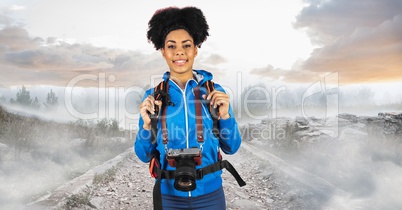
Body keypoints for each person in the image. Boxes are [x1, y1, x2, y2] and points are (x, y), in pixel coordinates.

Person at [135, 6, 243, 210]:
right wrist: (147, 126)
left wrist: (226, 116)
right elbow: (143, 155)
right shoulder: (153, 97)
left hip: (210, 195)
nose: (179, 52)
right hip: (168, 196)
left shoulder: (214, 91)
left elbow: (232, 147)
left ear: (195, 49)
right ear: (163, 52)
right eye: (171, 46)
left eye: (186, 45)